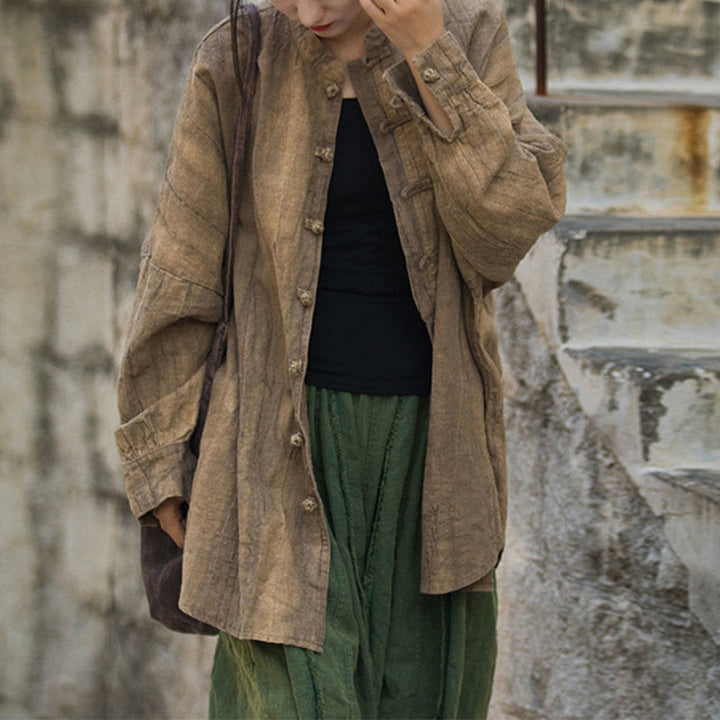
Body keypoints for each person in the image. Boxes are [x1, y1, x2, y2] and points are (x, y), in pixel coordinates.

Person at [115, 0, 566, 716]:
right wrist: (158, 458)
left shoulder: (469, 36)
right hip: (270, 449)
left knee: (418, 694)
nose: (311, 11)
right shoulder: (239, 56)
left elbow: (504, 235)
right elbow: (180, 267)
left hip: (434, 461)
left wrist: (428, 53)